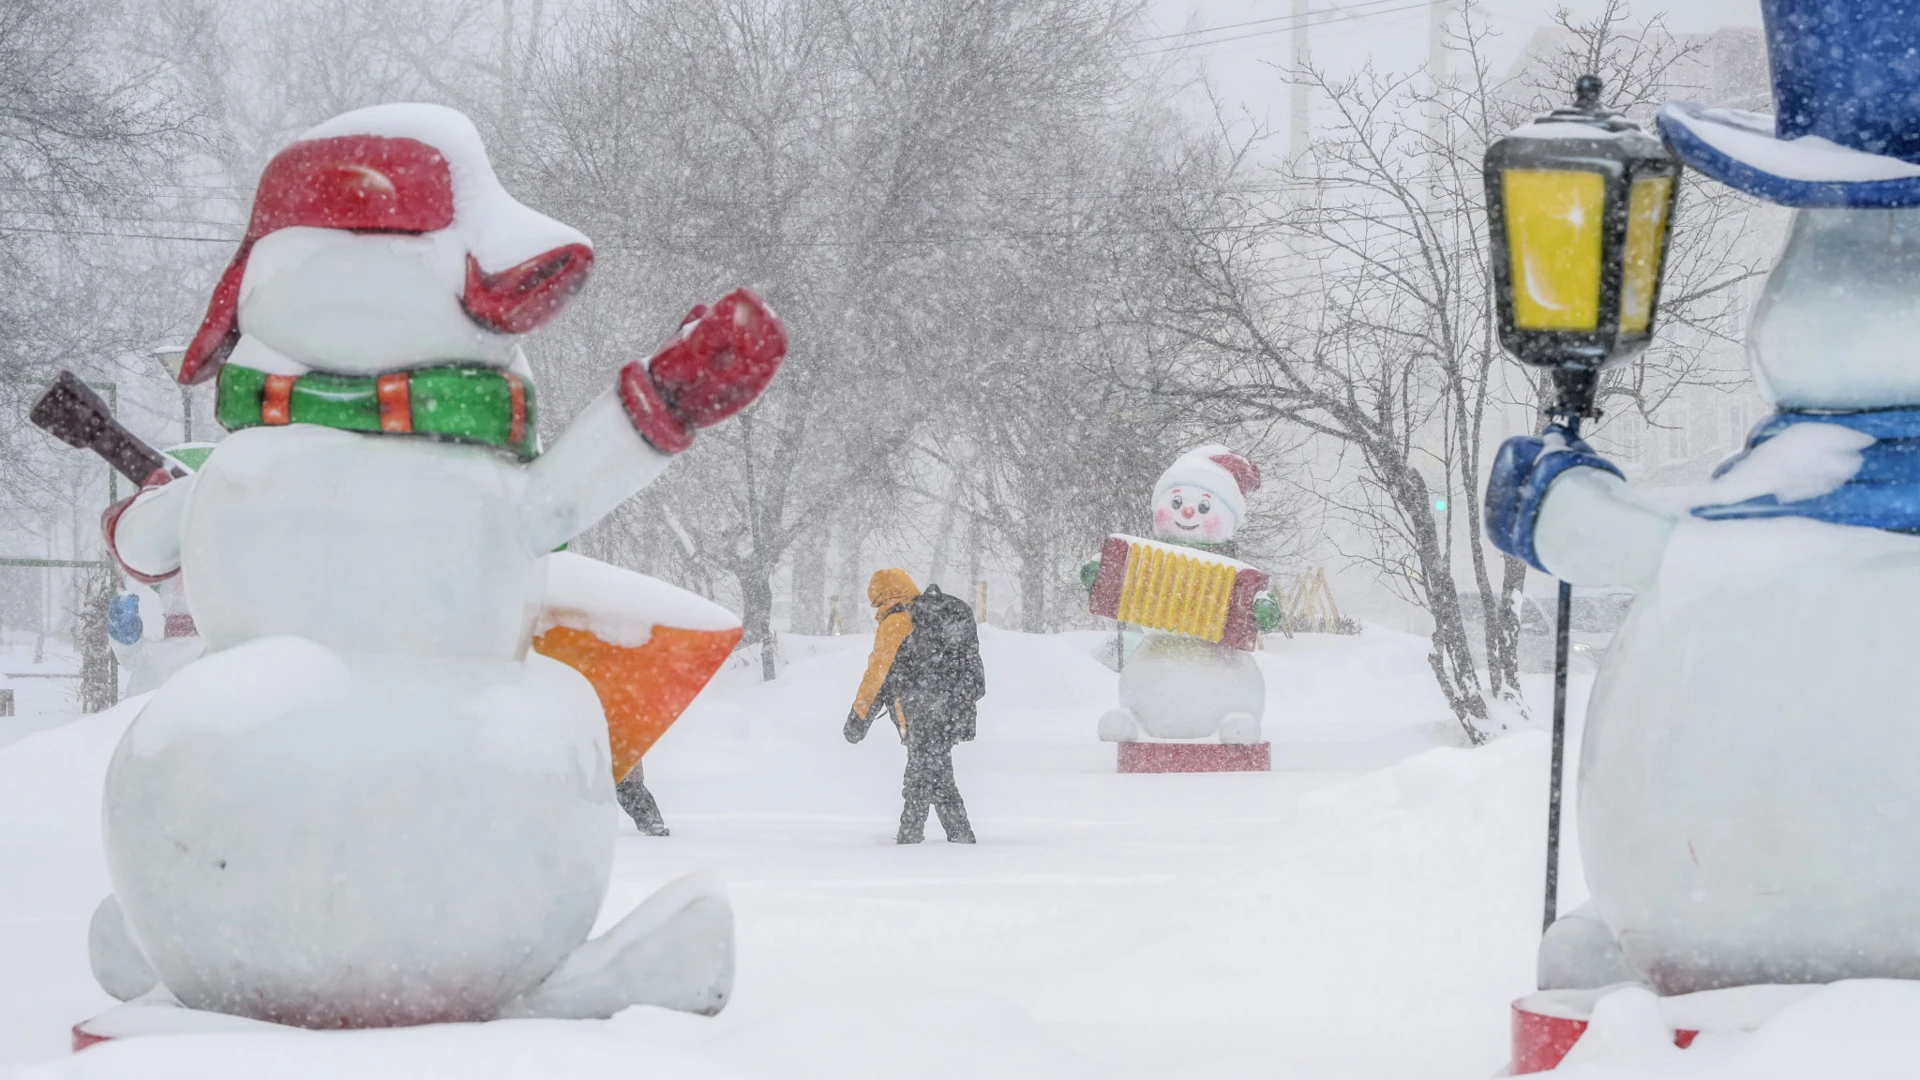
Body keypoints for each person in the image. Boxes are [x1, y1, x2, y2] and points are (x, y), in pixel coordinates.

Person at [844, 568, 983, 844]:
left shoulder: (896, 623)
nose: (876, 609)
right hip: (948, 712)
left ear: (884, 595)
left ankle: (915, 840)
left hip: (920, 713)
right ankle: (951, 837)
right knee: (934, 774)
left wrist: (857, 721)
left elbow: (876, 677)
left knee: (923, 775)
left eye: (876, 602)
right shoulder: (934, 617)